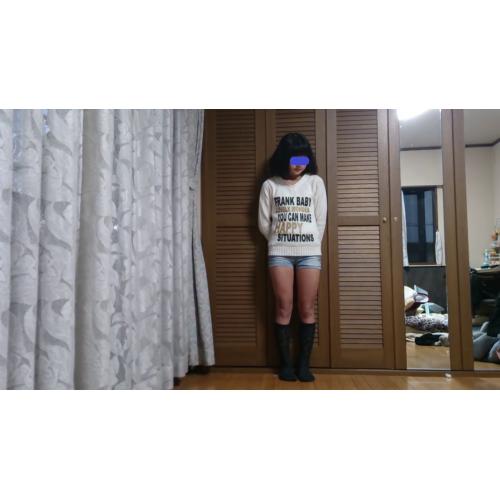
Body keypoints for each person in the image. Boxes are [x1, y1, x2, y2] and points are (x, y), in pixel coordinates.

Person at [257, 132, 327, 382]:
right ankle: (285, 365)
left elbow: (320, 220)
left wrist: (311, 243)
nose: (299, 164)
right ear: (283, 158)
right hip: (280, 253)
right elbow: (264, 223)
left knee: (307, 308)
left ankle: (304, 365)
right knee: (283, 307)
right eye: (294, 158)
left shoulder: (315, 182)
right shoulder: (270, 185)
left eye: (304, 158)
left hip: (309, 254)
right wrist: (280, 240)